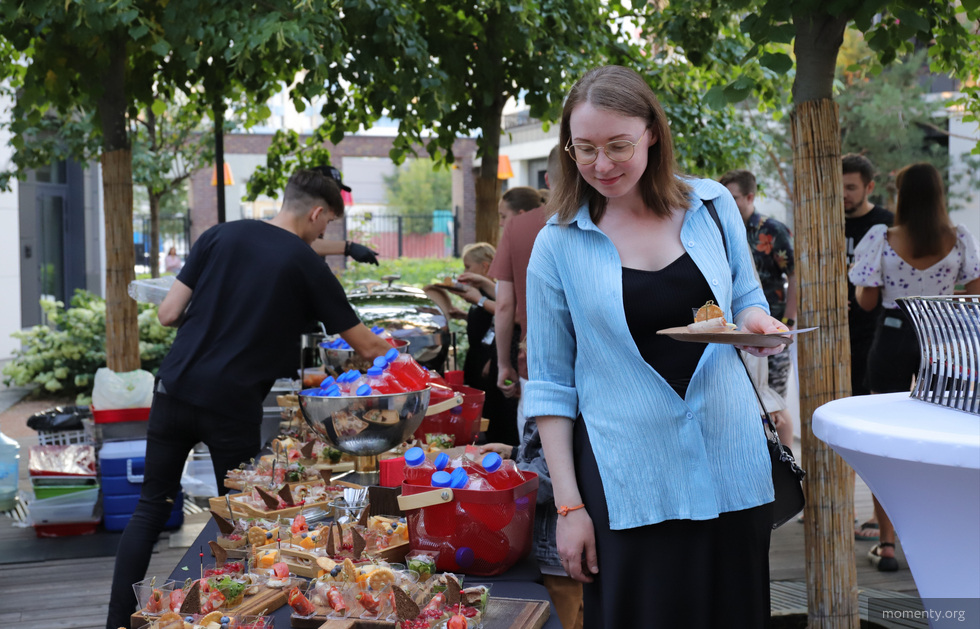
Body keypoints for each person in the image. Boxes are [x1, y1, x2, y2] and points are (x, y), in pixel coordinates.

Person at [524, 65, 787, 628]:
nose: (601, 164)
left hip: (728, 461)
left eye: (618, 146)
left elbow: (745, 293)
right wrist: (568, 507)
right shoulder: (558, 243)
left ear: (652, 134)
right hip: (627, 477)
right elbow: (550, 384)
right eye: (584, 149)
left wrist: (756, 323)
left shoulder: (711, 205)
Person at [106, 169, 392, 629]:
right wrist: (404, 359)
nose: (324, 234)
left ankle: (117, 622)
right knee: (242, 526)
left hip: (174, 389)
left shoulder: (219, 235)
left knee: (150, 507)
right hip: (231, 403)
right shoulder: (305, 264)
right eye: (327, 224)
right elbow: (367, 345)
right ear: (317, 213)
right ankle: (233, 618)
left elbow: (167, 313)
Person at [848, 162, 980, 572]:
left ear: (901, 196)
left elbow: (867, 302)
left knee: (886, 437)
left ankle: (887, 543)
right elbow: (974, 294)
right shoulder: (959, 238)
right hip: (943, 339)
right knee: (942, 435)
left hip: (892, 334)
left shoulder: (882, 237)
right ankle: (941, 535)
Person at [842, 153, 894, 542]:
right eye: (839, 187)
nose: (843, 194)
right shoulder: (825, 222)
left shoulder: (887, 224)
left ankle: (881, 519)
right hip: (832, 340)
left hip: (877, 338)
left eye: (851, 187)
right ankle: (840, 510)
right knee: (840, 428)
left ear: (869, 187)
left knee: (876, 431)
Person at [423, 243, 518, 445]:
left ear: (484, 266)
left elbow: (499, 324)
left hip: (489, 357)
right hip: (478, 355)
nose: (465, 270)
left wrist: (494, 357)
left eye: (468, 266)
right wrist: (464, 314)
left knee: (494, 410)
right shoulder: (486, 290)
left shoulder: (493, 296)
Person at [719, 169, 797, 403]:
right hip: (736, 332)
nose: (727, 203)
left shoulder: (772, 230)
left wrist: (789, 320)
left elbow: (794, 276)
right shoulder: (719, 229)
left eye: (733, 198)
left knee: (774, 402)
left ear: (750, 197)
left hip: (772, 327)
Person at [492, 164, 557, 439]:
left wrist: (503, 364)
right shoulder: (608, 215)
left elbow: (504, 305)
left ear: (547, 178)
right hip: (595, 370)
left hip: (537, 363)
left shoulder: (518, 227)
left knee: (536, 455)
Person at [308, 164, 380, 265]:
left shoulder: (319, 218)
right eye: (331, 191)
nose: (336, 196)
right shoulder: (299, 216)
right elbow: (301, 244)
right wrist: (348, 247)